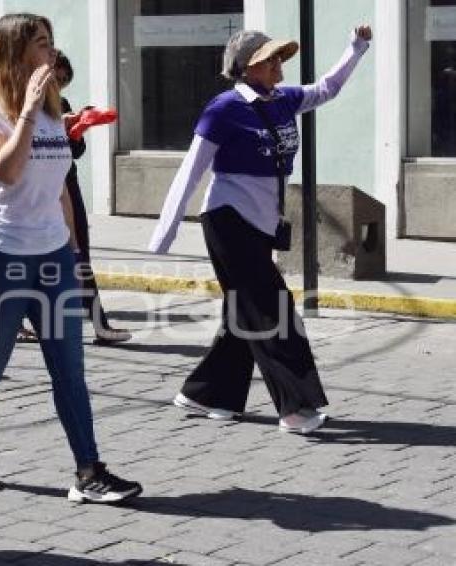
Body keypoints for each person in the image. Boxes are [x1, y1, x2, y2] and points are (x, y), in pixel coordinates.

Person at [0, 12, 142, 503]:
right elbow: (6, 170)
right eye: (40, 44)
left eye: (51, 43)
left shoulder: (54, 111)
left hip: (53, 254)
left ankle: (88, 471)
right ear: (13, 53)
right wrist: (27, 111)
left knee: (69, 369)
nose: (51, 54)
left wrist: (75, 252)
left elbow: (59, 186)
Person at [148, 26, 373, 434]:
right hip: (228, 221)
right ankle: (296, 408)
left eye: (278, 58)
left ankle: (205, 393)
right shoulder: (223, 108)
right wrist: (165, 232)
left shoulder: (284, 100)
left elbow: (327, 88)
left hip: (262, 226)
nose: (277, 65)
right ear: (245, 68)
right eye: (268, 59)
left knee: (245, 316)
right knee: (275, 313)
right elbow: (190, 171)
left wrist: (356, 49)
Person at [54, 50, 131, 345]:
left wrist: (76, 131)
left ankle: (100, 323)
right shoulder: (26, 106)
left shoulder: (61, 104)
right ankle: (17, 319)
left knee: (80, 254)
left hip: (67, 183)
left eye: (63, 80)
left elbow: (76, 152)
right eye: (55, 78)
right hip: (42, 188)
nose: (59, 86)